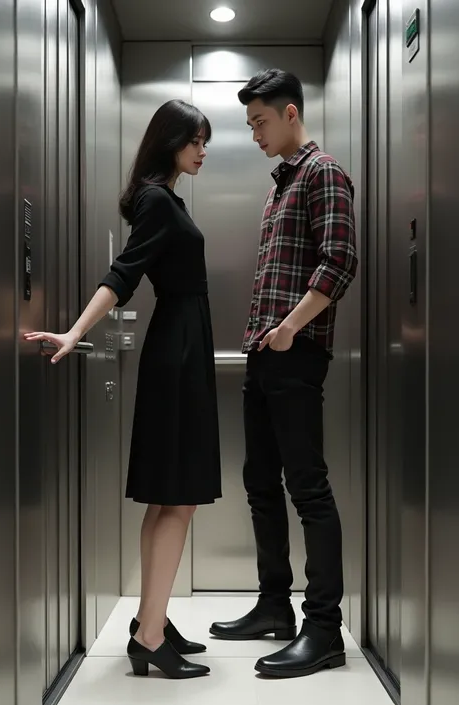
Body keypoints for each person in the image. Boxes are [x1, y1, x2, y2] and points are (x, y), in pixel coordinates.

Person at [25, 99, 221, 680]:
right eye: (196, 141)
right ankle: (151, 635)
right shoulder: (160, 202)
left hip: (180, 346)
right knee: (179, 497)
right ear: (171, 143)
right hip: (178, 351)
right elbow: (122, 276)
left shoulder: (165, 198)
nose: (202, 150)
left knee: (170, 495)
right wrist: (76, 329)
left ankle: (148, 620)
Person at [210, 69, 358, 679]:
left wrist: (292, 327)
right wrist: (266, 339)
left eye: (260, 122)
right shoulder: (278, 186)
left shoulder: (325, 173)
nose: (254, 134)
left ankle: (323, 630)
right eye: (249, 125)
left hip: (295, 353)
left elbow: (341, 262)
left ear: (291, 113)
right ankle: (275, 606)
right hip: (264, 353)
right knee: (259, 483)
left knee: (308, 487)